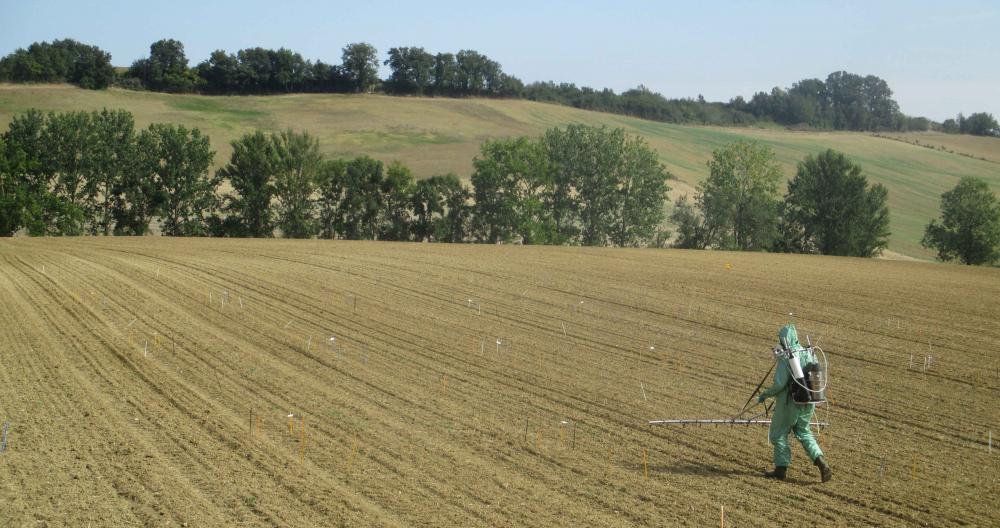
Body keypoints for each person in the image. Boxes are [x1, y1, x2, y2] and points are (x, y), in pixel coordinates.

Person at [757, 324, 832, 482]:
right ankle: (821, 462)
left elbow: (779, 384)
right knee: (804, 433)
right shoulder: (809, 352)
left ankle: (781, 469)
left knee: (779, 434)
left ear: (783, 339)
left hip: (789, 403)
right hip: (809, 401)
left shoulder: (787, 357)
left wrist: (765, 394)